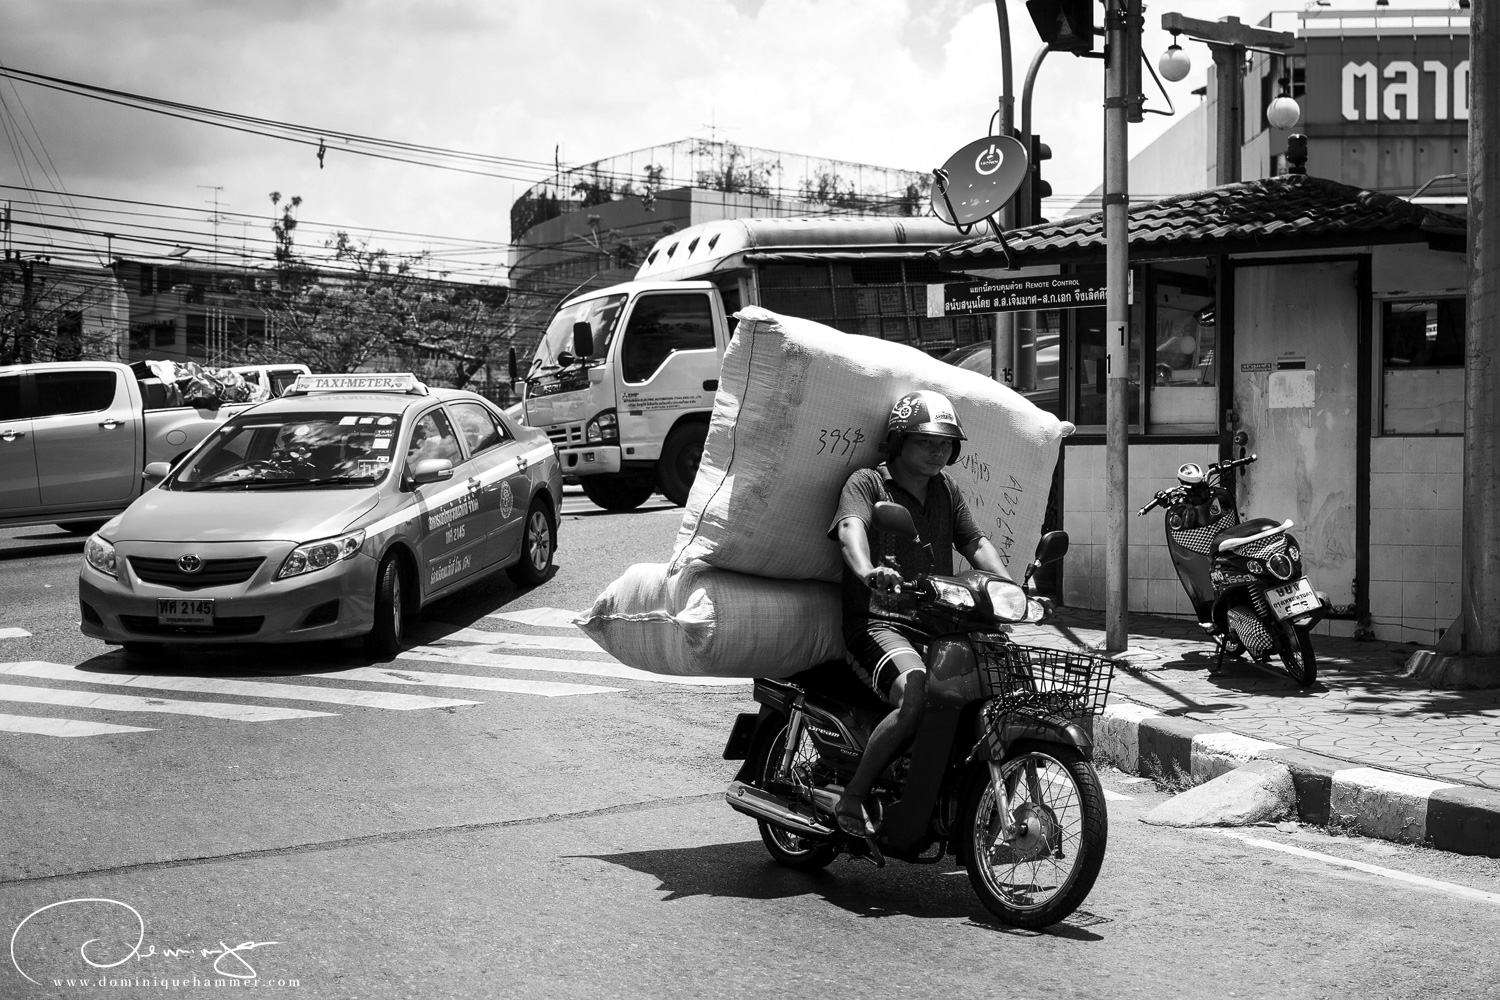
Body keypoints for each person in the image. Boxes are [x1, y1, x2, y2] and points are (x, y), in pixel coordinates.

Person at [827, 389, 1010, 838]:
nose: (937, 451)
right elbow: (852, 528)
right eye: (926, 441)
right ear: (898, 440)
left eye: (945, 443)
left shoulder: (947, 489)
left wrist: (1010, 590)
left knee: (1003, 689)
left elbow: (976, 543)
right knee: (916, 694)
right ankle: (853, 796)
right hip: (877, 622)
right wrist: (868, 570)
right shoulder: (868, 482)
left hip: (938, 623)